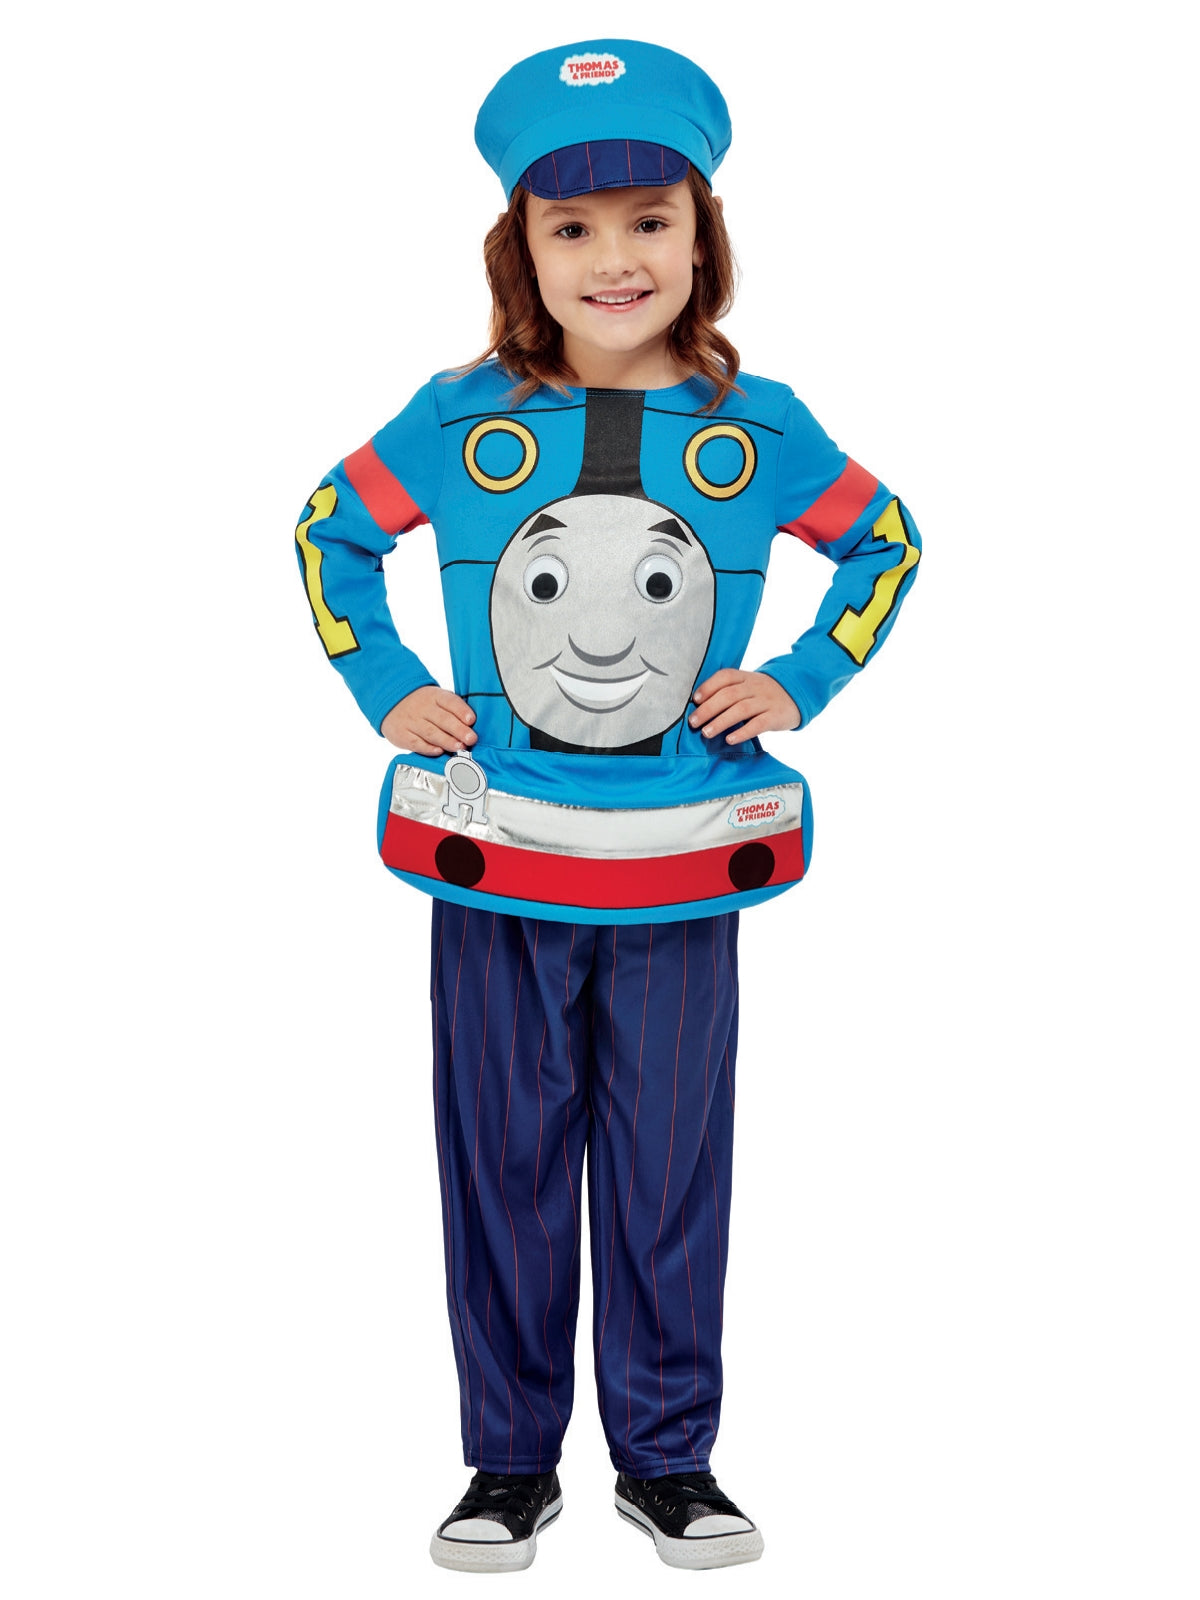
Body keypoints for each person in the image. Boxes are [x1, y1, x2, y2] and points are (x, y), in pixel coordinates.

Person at [295, 38, 920, 1573]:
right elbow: (328, 532)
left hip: (679, 871)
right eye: (571, 227)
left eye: (649, 219)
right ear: (520, 246)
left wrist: (799, 682)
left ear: (703, 235)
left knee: (668, 1165)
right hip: (497, 860)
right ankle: (510, 1464)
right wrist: (389, 690)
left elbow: (889, 542)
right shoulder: (460, 416)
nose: (614, 258)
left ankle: (669, 1460)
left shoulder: (759, 424)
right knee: (503, 1158)